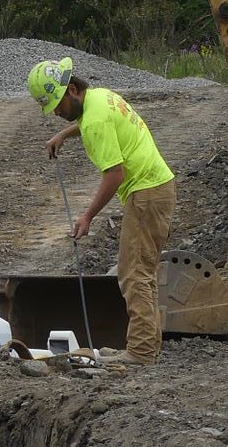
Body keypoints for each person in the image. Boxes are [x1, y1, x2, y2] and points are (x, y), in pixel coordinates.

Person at [27, 55, 177, 365]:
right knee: (142, 273)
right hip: (157, 188)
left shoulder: (94, 120)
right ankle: (145, 346)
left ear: (71, 90)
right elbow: (89, 121)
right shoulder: (99, 97)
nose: (56, 112)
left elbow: (115, 175)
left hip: (145, 193)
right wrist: (64, 135)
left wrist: (87, 216)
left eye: (57, 104)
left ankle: (140, 353)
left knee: (133, 274)